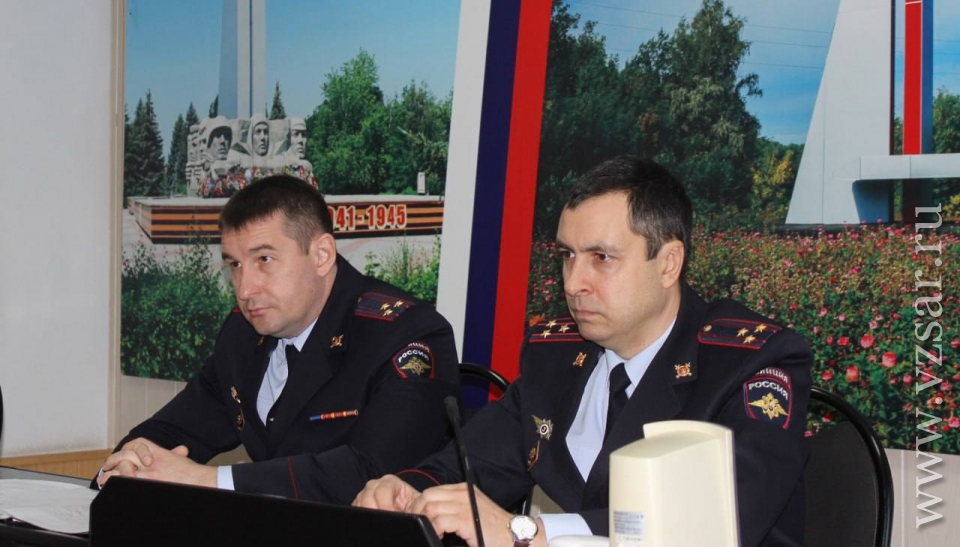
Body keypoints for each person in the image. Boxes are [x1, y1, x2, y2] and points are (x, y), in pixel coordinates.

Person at [354, 156, 812, 547]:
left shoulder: (749, 364)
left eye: (601, 258)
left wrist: (527, 533)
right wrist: (408, 491)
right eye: (567, 256)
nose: (573, 284)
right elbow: (474, 460)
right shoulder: (555, 356)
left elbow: (714, 525)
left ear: (668, 263)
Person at [97, 175, 459, 503]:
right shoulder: (244, 333)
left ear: (322, 255)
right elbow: (176, 427)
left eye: (264, 259)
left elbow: (373, 471)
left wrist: (206, 480)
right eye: (235, 265)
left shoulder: (406, 334)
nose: (245, 289)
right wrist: (131, 462)